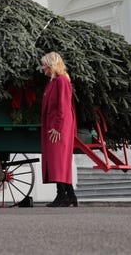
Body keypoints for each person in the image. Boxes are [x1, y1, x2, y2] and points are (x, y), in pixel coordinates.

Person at [40, 51, 77, 208]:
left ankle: (62, 195)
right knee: (57, 161)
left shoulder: (61, 81)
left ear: (50, 65)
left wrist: (57, 127)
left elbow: (63, 106)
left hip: (59, 126)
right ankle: (69, 196)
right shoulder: (54, 82)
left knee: (58, 161)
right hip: (54, 125)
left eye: (44, 65)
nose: (42, 68)